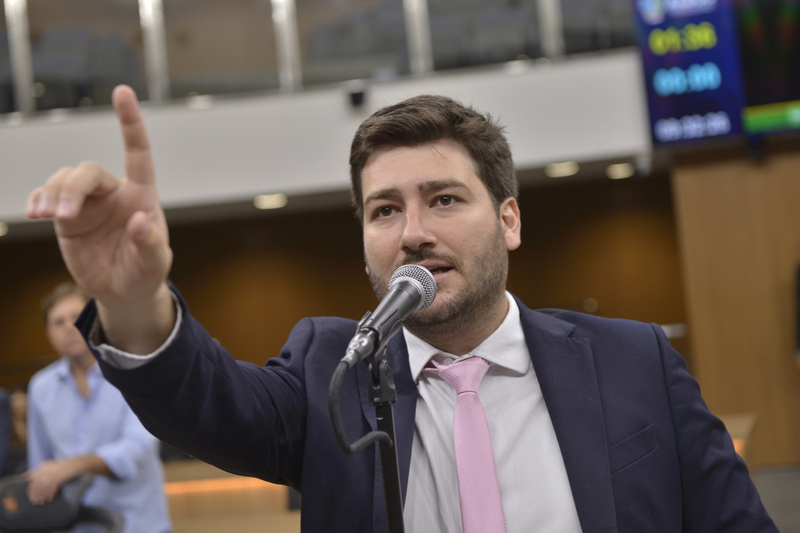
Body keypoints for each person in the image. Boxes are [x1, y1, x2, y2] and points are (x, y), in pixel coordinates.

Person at [25, 85, 777, 532]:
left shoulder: (632, 360)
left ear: (509, 220)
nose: (412, 232)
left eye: (443, 199)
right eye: (384, 210)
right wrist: (131, 301)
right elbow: (208, 403)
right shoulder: (332, 369)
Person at [24, 282, 171, 533]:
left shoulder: (132, 371)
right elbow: (40, 465)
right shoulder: (40, 387)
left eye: (76, 317)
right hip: (74, 526)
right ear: (48, 333)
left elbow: (138, 448)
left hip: (137, 524)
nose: (69, 327)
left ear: (96, 320)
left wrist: (71, 466)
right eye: (58, 322)